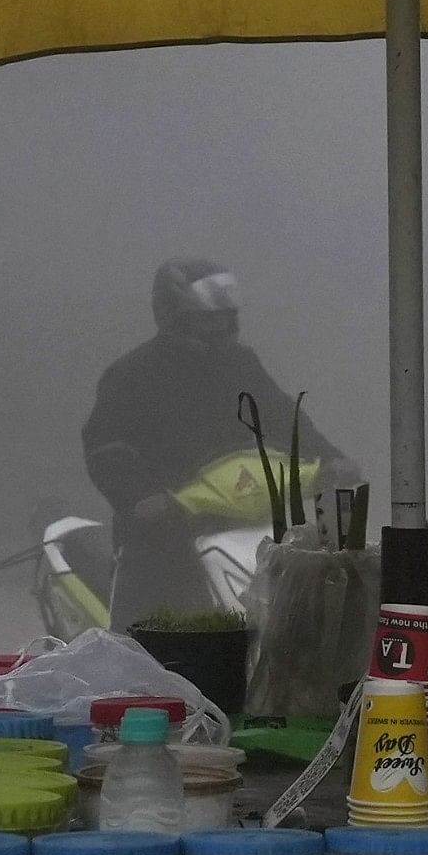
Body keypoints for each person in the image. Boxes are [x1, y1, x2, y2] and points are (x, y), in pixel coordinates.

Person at [81, 257, 293, 623]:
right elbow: (105, 448)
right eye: (209, 318)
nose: (221, 325)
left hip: (238, 520)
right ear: (174, 315)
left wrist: (330, 461)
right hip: (160, 537)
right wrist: (142, 498)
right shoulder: (132, 374)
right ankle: (123, 671)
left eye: (226, 317)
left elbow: (285, 418)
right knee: (141, 641)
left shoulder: (242, 365)